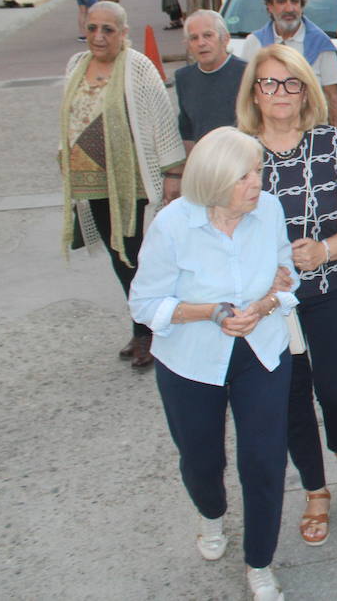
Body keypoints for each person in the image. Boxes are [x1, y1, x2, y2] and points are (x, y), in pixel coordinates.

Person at [127, 127, 297, 601]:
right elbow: (144, 303)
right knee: (202, 461)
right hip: (190, 360)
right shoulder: (172, 224)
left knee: (264, 462)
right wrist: (211, 312)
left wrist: (264, 305)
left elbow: (287, 276)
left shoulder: (269, 210)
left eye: (258, 172)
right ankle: (211, 513)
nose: (257, 184)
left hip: (260, 352)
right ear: (216, 179)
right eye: (245, 176)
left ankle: (259, 562)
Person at [239, 44, 337, 547]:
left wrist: (327, 249)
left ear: (305, 90)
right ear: (254, 94)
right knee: (290, 400)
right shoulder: (238, 153)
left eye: (290, 83)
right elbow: (216, 231)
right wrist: (263, 275)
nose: (279, 93)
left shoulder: (332, 144)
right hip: (269, 309)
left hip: (335, 291)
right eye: (268, 83)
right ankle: (315, 489)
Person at [59, 0, 185, 369]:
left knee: (135, 258)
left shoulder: (137, 67)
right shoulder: (75, 64)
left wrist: (172, 174)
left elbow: (162, 122)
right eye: (93, 28)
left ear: (123, 33)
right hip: (92, 183)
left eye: (108, 30)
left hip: (130, 182)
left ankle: (149, 331)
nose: (98, 37)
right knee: (119, 259)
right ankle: (145, 326)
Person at [241, 0, 337, 131]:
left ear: (302, 6)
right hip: (267, 136)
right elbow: (247, 96)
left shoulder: (322, 45)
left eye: (294, 1)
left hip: (311, 138)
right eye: (281, 1)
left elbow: (333, 99)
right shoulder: (254, 44)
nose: (289, 8)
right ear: (269, 6)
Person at [176, 10, 247, 148]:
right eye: (194, 38)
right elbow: (187, 133)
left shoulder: (247, 73)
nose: (201, 43)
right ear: (188, 45)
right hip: (203, 163)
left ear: (225, 39)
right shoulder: (183, 78)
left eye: (208, 35)